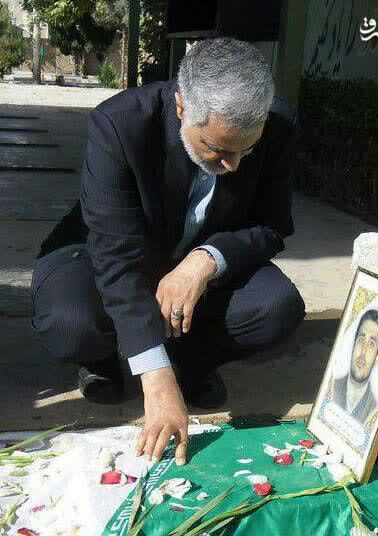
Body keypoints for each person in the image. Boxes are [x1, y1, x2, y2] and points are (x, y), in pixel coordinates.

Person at [31, 38, 305, 466]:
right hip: (104, 251)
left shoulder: (279, 125)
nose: (234, 166)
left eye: (246, 150)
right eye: (218, 150)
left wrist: (206, 260)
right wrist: (156, 381)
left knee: (276, 306)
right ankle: (109, 360)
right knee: (70, 322)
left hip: (197, 258)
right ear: (181, 107)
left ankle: (190, 363)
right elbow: (115, 255)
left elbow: (273, 226)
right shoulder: (119, 123)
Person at [332, 309, 378, 425]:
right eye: (361, 339)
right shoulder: (332, 388)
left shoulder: (375, 409)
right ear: (354, 344)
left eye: (371, 344)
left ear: (377, 357)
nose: (363, 350)